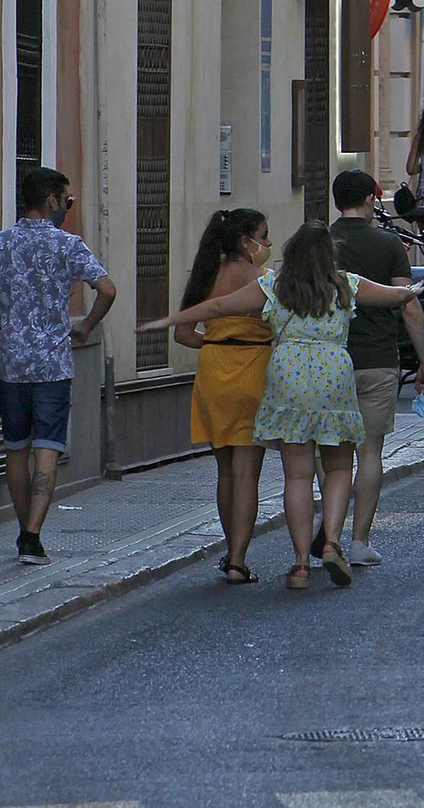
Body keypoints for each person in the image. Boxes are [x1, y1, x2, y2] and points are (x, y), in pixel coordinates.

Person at [144, 220, 416, 591]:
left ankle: (301, 564)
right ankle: (333, 540)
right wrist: (412, 290)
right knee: (338, 466)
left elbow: (219, 306)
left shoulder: (273, 286)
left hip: (288, 376)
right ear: (328, 255)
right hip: (333, 376)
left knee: (297, 475)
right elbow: (395, 296)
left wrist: (167, 320)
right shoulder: (346, 284)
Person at [0, 166, 115, 564]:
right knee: (48, 450)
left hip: (10, 365)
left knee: (16, 449)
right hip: (53, 364)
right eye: (67, 201)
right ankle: (33, 536)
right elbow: (107, 290)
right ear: (52, 200)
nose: (67, 209)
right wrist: (86, 327)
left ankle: (26, 534)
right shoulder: (68, 245)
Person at [328, 169, 424, 566]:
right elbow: (408, 303)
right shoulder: (389, 244)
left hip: (328, 363)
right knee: (369, 452)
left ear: (338, 201)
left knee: (332, 454)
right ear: (372, 199)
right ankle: (359, 541)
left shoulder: (321, 244)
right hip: (377, 361)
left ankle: (329, 538)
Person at [174, 207, 272, 584]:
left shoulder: (204, 278)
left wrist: (216, 340)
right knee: (247, 473)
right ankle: (237, 560)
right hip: (254, 370)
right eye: (263, 236)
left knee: (225, 472)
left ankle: (231, 548)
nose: (267, 244)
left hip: (214, 371)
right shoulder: (266, 280)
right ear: (246, 242)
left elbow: (182, 335)